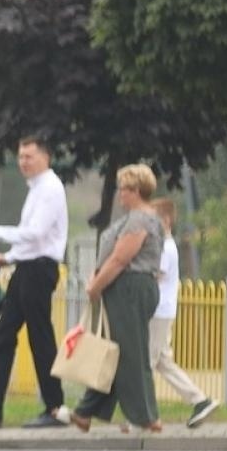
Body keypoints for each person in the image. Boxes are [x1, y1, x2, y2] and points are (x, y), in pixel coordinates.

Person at [0, 137, 69, 429]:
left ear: (46, 156)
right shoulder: (36, 189)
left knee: (40, 337)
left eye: (29, 156)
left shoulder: (50, 189)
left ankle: (55, 408)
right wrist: (9, 257)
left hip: (40, 271)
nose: (23, 162)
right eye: (20, 156)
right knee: (3, 334)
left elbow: (35, 233)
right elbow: (32, 239)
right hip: (26, 268)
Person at [68, 164, 165, 433]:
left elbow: (121, 258)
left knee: (131, 353)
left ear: (137, 191)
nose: (120, 194)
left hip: (129, 289)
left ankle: (146, 416)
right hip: (127, 289)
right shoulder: (141, 218)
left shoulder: (139, 220)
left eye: (124, 189)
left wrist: (96, 286)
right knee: (115, 352)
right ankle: (85, 412)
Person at [148, 197, 219, 428]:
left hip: (159, 311)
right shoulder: (165, 246)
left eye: (153, 218)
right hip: (163, 310)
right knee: (162, 362)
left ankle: (142, 415)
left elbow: (155, 277)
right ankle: (199, 400)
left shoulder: (165, 248)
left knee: (146, 362)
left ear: (166, 220)